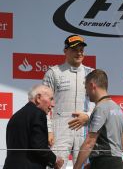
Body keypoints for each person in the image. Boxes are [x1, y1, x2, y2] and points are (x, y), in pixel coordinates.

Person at [43, 34, 94, 168]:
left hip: (84, 126)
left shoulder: (91, 73)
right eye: (74, 49)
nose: (79, 53)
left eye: (81, 50)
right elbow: (44, 105)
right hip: (60, 125)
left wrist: (87, 116)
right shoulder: (54, 72)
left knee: (84, 167)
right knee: (57, 165)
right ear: (65, 51)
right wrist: (49, 130)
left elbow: (99, 103)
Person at [73, 69, 123, 169]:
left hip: (104, 163)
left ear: (92, 85)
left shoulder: (101, 108)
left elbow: (90, 142)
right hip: (118, 163)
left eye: (86, 88)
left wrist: (76, 167)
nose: (86, 93)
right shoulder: (118, 108)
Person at [4, 84, 64, 169]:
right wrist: (55, 160)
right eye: (51, 99)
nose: (53, 104)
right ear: (38, 98)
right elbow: (38, 146)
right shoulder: (38, 114)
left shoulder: (16, 115)